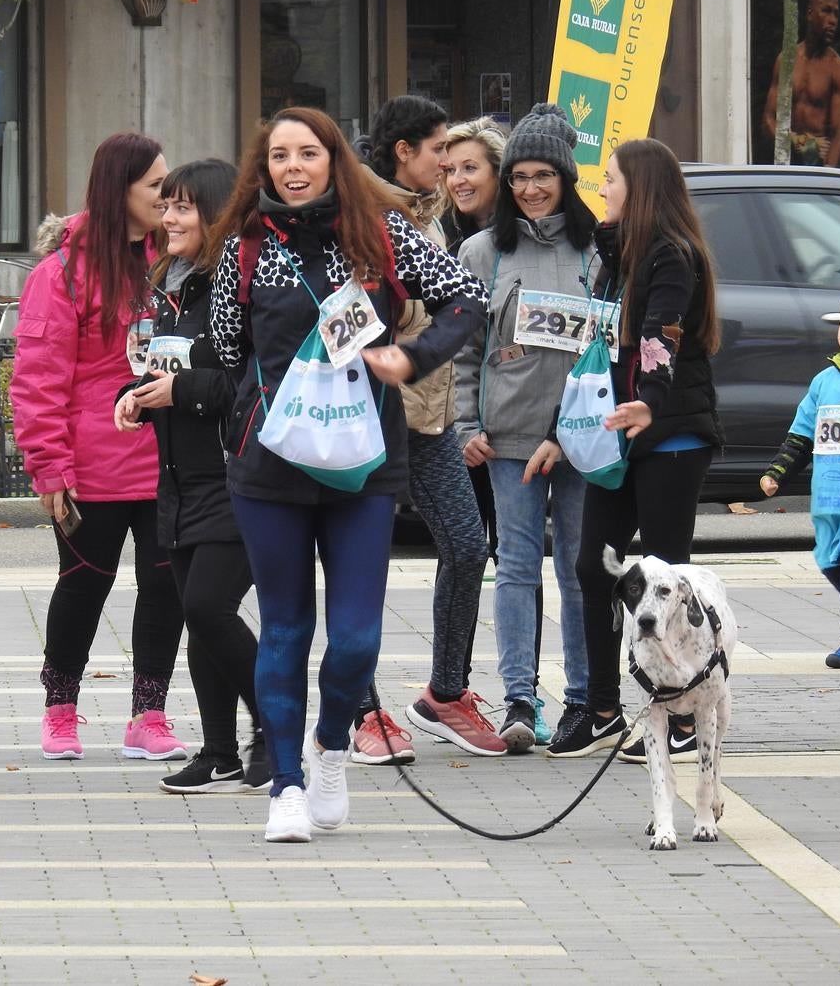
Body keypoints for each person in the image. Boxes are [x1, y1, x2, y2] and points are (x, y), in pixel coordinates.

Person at [207, 106, 487, 842]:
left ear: (334, 159)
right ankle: (288, 787)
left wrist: (413, 358)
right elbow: (228, 350)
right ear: (263, 168)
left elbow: (470, 300)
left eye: (307, 153)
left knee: (357, 637)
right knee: (286, 627)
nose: (292, 167)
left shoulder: (382, 234)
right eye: (278, 156)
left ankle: (331, 746)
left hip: (365, 462)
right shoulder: (244, 247)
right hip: (269, 465)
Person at [11, 132, 189, 763]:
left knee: (167, 587)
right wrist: (49, 468)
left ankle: (149, 714)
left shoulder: (178, 262)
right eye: (154, 188)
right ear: (120, 192)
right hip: (91, 466)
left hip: (171, 461)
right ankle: (60, 711)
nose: (168, 199)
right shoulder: (60, 272)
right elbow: (37, 380)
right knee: (83, 584)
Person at [549, 137, 722, 759]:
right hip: (615, 435)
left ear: (641, 187)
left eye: (612, 180)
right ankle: (600, 709)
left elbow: (662, 335)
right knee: (592, 568)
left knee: (666, 576)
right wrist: (555, 434)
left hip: (669, 433)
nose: (603, 190)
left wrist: (649, 397)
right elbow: (589, 356)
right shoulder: (611, 257)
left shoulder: (671, 256)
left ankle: (680, 714)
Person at [114, 158, 269, 793]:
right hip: (176, 480)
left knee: (208, 606)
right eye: (165, 205)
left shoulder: (240, 288)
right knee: (199, 615)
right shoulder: (164, 288)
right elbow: (157, 369)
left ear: (216, 215)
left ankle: (276, 725)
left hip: (236, 478)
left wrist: (180, 391)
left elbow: (248, 380)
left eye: (182, 207)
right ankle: (219, 749)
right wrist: (134, 395)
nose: (167, 217)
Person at [356, 96, 500, 760]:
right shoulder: (362, 219)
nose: (448, 164)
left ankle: (445, 693)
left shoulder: (428, 220)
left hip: (429, 418)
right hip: (368, 418)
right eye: (439, 150)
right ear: (403, 152)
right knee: (359, 564)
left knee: (469, 546)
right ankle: (360, 712)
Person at [454, 103, 596, 754]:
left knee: (577, 566)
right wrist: (464, 425)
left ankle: (586, 699)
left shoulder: (599, 250)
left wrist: (570, 432)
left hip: (581, 438)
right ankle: (518, 697)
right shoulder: (482, 251)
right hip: (506, 439)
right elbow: (461, 347)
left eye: (544, 175)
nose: (531, 188)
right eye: (519, 177)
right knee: (514, 566)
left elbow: (609, 348)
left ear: (566, 178)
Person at [759, 288, 840, 669]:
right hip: (825, 494)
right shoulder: (824, 380)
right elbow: (802, 434)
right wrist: (778, 472)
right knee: (829, 561)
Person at [763, 0, 840, 168]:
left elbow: (839, 134)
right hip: (785, 163)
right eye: (826, 11)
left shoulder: (838, 69)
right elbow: (768, 120)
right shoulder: (786, 60)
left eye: (836, 14)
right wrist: (799, 141)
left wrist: (828, 178)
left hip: (819, 167)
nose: (832, 20)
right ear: (810, 14)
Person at [439, 118, 508, 257]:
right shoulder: (438, 236)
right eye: (450, 170)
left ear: (498, 172)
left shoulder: (524, 235)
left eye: (469, 168)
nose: (456, 181)